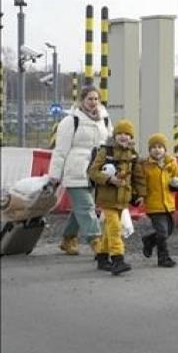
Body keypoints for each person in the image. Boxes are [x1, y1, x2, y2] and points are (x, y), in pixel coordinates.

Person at [47, 85, 111, 256]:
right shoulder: (70, 121)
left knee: (81, 208)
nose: (93, 102)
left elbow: (108, 143)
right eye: (90, 99)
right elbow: (60, 151)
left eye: (96, 99)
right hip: (75, 171)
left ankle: (68, 239)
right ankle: (97, 241)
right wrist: (54, 175)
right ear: (82, 100)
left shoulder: (104, 119)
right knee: (87, 206)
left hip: (95, 171)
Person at [86, 118, 147, 276]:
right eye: (119, 133)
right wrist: (109, 179)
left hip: (123, 199)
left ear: (131, 137)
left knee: (109, 230)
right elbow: (92, 172)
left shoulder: (133, 155)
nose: (123, 136)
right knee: (115, 228)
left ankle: (102, 257)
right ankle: (118, 259)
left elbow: (138, 177)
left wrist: (141, 194)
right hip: (107, 199)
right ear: (114, 136)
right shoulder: (106, 152)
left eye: (127, 134)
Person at [139, 133, 178, 268]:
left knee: (169, 231)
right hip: (154, 205)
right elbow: (141, 184)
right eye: (153, 147)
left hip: (168, 204)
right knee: (162, 232)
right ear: (149, 150)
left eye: (160, 147)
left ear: (165, 150)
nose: (157, 150)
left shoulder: (171, 163)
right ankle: (163, 258)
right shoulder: (145, 166)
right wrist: (139, 196)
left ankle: (149, 240)